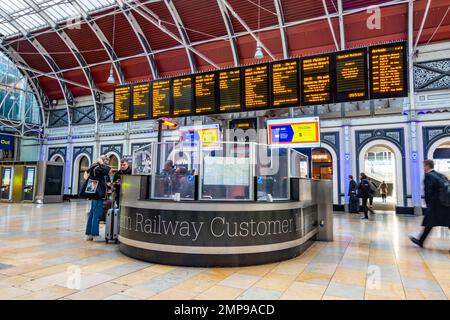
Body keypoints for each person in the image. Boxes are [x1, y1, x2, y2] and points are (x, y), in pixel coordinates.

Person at [409, 160, 450, 248]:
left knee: (430, 220)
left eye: (424, 166)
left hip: (436, 204)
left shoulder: (428, 176)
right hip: (446, 203)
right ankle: (421, 240)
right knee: (430, 222)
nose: (423, 168)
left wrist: (428, 204)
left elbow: (428, 191)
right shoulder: (440, 175)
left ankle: (421, 241)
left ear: (427, 166)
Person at [84, 155, 111, 241]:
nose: (107, 163)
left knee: (92, 213)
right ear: (103, 160)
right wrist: (101, 163)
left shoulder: (93, 167)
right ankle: (95, 235)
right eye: (107, 161)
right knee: (97, 214)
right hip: (98, 194)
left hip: (95, 193)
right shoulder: (97, 168)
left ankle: (89, 234)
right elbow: (107, 170)